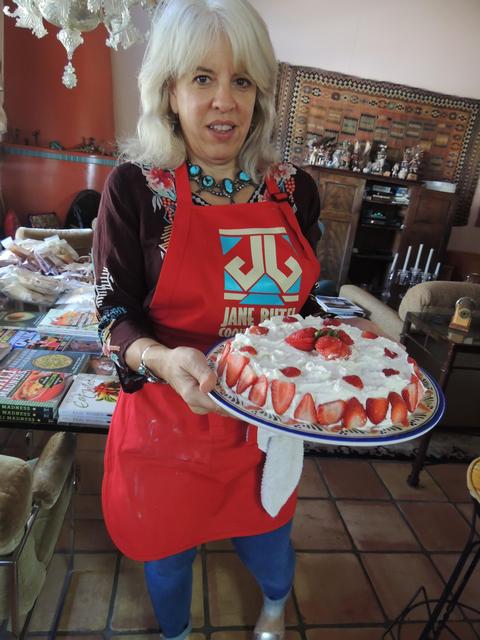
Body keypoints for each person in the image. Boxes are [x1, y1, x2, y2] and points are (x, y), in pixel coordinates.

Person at [93, 1, 321, 638]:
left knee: (269, 546)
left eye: (242, 80)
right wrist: (164, 359)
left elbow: (302, 307)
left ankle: (275, 606)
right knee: (167, 558)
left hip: (262, 429)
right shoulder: (136, 189)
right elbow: (113, 313)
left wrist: (341, 344)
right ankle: (177, 634)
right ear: (169, 89)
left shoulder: (294, 190)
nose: (225, 101)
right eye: (202, 78)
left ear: (261, 93)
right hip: (168, 425)